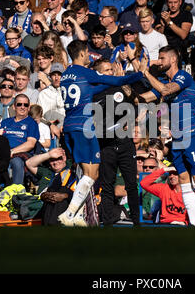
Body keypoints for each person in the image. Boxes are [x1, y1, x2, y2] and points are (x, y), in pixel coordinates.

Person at [57, 40, 146, 226]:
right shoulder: (85, 72)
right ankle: (70, 213)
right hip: (83, 126)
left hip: (69, 126)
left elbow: (92, 89)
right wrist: (139, 73)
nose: (89, 55)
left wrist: (107, 85)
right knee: (92, 174)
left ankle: (80, 215)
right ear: (81, 54)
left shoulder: (65, 75)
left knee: (84, 173)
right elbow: (117, 80)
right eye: (87, 52)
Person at [139, 45, 195, 226]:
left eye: (162, 58)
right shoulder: (163, 83)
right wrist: (124, 89)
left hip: (193, 133)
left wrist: (146, 73)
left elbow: (166, 91)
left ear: (173, 59)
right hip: (178, 138)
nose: (159, 62)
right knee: (183, 180)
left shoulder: (183, 76)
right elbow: (142, 98)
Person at [92, 58, 142, 227]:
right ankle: (107, 222)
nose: (111, 73)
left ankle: (137, 222)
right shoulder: (94, 93)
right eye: (107, 71)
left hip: (126, 143)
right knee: (107, 185)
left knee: (131, 184)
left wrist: (123, 82)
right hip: (107, 145)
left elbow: (135, 101)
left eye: (111, 70)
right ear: (98, 73)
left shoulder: (119, 86)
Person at [26, 147, 78, 226]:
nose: (55, 162)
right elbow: (29, 163)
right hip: (41, 204)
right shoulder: (47, 172)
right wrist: (49, 154)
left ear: (64, 158)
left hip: (63, 205)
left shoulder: (70, 169)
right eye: (52, 160)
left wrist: (64, 195)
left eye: (58, 159)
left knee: (61, 193)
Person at [0, 94, 40, 185]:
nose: (22, 107)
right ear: (14, 106)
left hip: (19, 155)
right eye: (19, 104)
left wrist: (12, 151)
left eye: (25, 105)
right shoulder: (6, 122)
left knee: (16, 162)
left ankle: (16, 193)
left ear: (29, 108)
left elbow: (30, 144)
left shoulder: (31, 123)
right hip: (2, 154)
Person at [155, 0, 192, 64]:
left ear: (180, 2)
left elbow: (183, 35)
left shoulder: (186, 15)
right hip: (163, 47)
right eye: (170, 2)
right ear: (167, 3)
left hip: (179, 48)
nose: (173, 5)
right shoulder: (161, 15)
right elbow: (157, 36)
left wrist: (169, 22)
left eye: (175, 2)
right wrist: (162, 26)